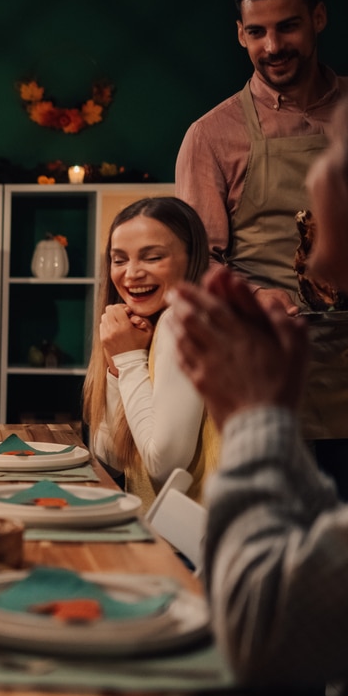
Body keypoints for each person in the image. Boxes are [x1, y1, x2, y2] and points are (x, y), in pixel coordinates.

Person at [170, 78, 348, 696]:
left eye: (332, 160)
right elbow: (323, 585)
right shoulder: (213, 129)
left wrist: (252, 419)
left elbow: (267, 635)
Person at [174, 0, 348, 497]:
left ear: (319, 18)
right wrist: (256, 297)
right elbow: (195, 263)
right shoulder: (212, 135)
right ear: (240, 33)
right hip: (270, 377)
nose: (273, 45)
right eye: (257, 32)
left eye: (289, 26)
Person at [82, 197, 214, 509]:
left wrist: (128, 360)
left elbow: (165, 469)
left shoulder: (183, 320)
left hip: (203, 551)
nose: (131, 274)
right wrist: (117, 364)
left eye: (152, 258)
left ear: (192, 258)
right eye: (119, 260)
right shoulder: (148, 325)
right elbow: (112, 456)